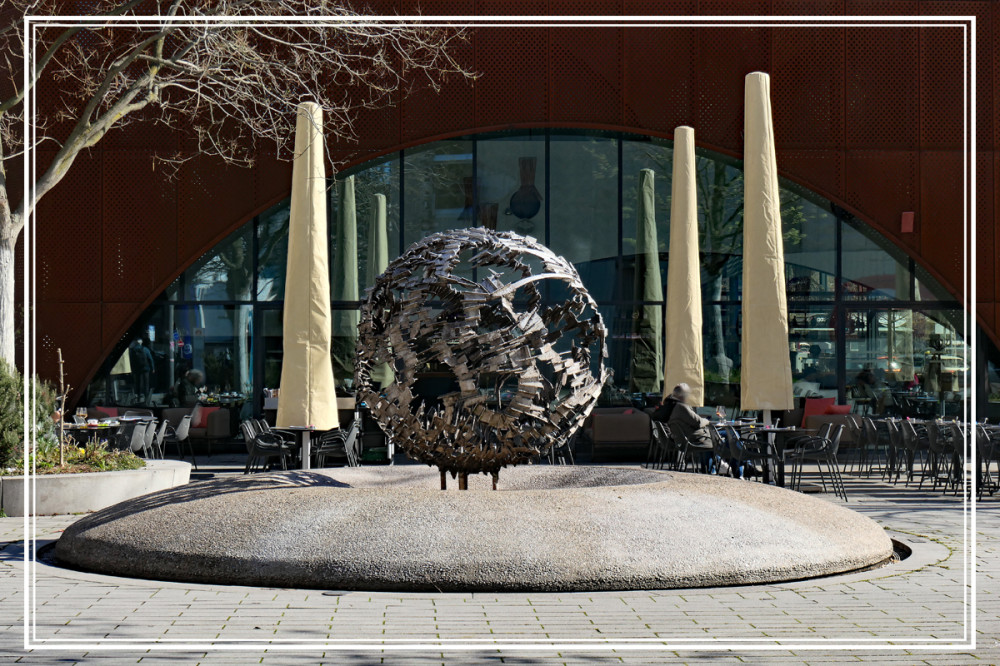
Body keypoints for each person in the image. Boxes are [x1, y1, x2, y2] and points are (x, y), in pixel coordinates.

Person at [659, 383, 716, 473]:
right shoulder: (681, 407)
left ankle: (713, 466)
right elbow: (698, 422)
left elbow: (691, 420)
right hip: (691, 439)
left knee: (715, 437)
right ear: (684, 395)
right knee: (717, 438)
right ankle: (713, 468)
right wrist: (707, 420)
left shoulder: (671, 405)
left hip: (681, 438)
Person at [128, 338, 154, 406]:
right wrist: (153, 368)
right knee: (146, 384)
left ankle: (138, 398)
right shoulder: (145, 349)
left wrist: (131, 370)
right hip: (146, 369)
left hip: (137, 369)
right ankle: (146, 399)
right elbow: (150, 359)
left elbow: (131, 361)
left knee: (138, 383)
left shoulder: (133, 350)